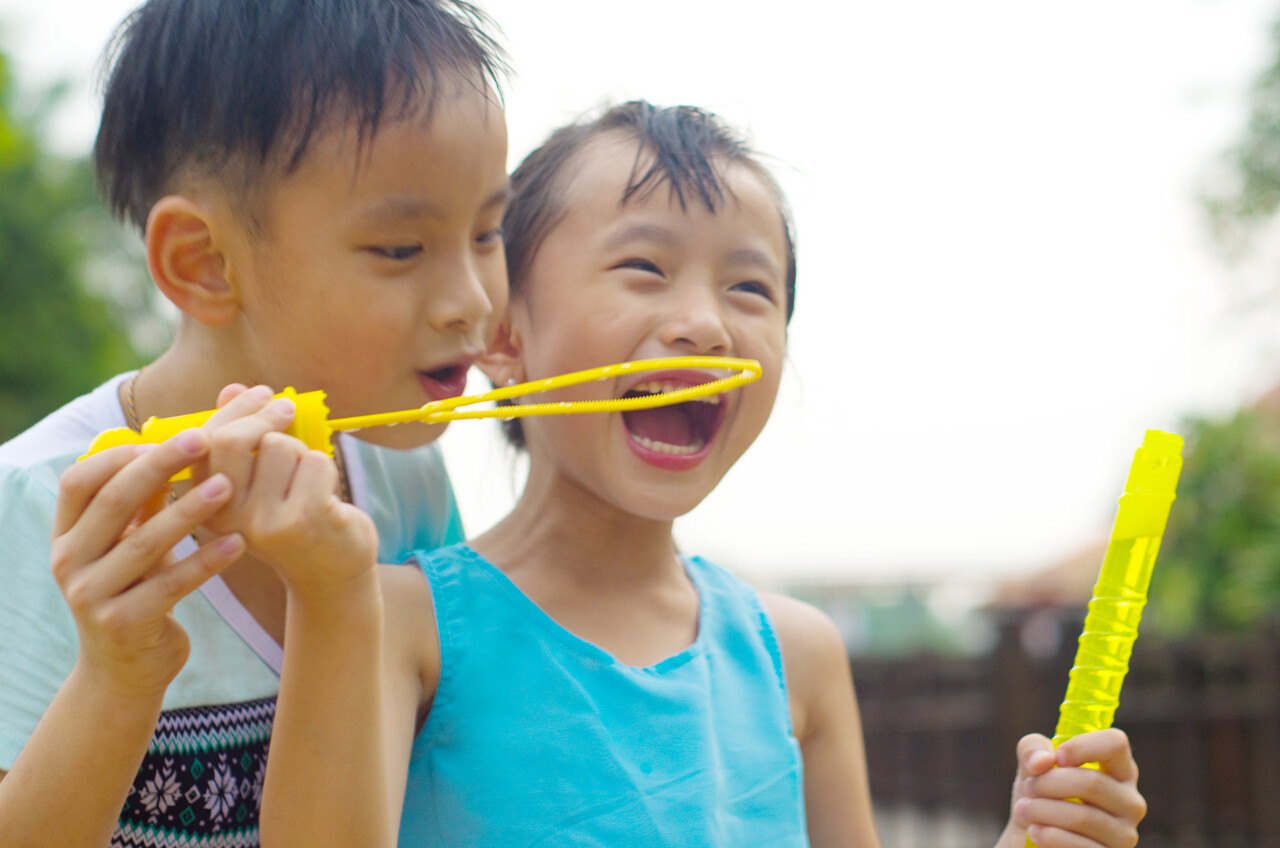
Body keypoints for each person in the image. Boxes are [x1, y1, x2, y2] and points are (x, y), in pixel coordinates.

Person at [244, 101, 1147, 847]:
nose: (706, 326)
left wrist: (1030, 839)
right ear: (506, 337)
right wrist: (326, 594)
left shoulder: (800, 657)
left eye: (750, 289)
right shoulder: (392, 621)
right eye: (644, 268)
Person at [0, 0, 510, 844]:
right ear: (203, 263)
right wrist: (116, 679)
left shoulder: (404, 475)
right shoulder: (34, 503)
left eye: (489, 232)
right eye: (401, 249)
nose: (473, 300)